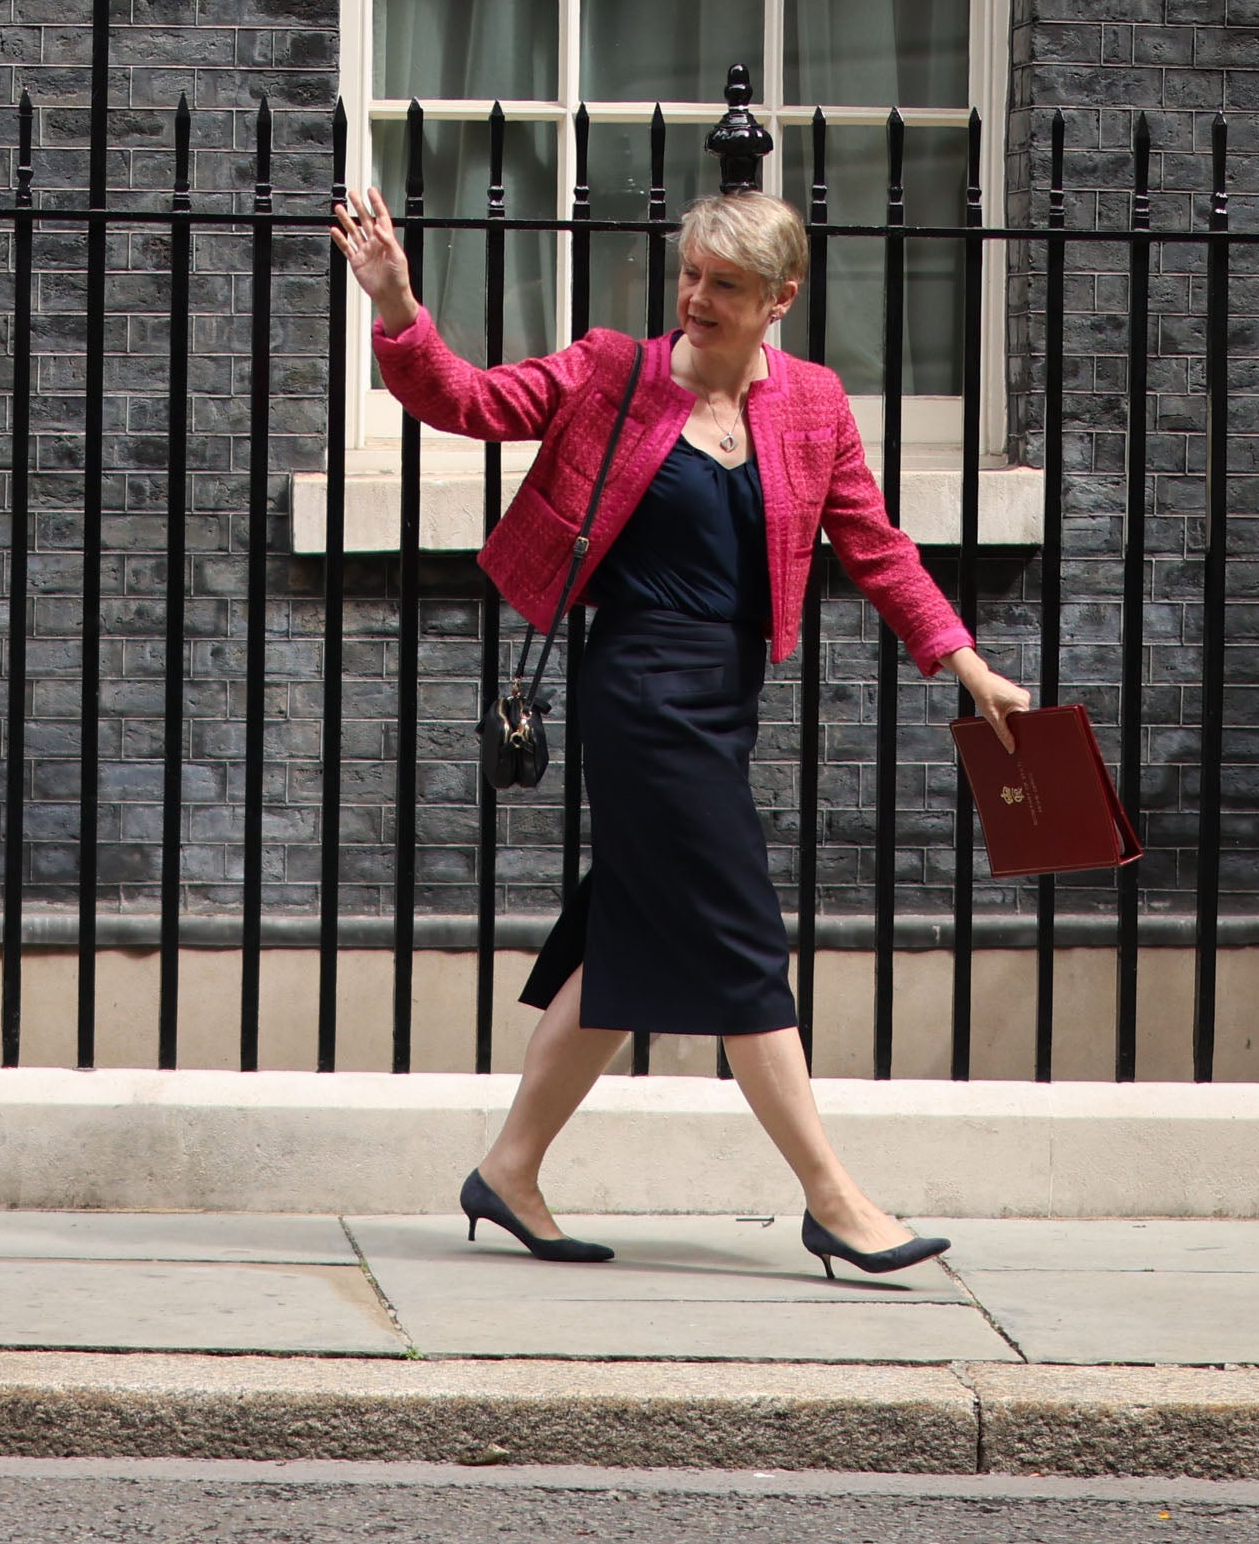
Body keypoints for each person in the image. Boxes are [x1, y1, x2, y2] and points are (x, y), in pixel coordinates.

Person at [329, 180, 1031, 1281]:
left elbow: (878, 548)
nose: (697, 299)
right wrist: (399, 308)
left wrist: (965, 661)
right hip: (640, 688)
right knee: (738, 929)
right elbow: (466, 401)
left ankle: (509, 1169)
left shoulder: (811, 404)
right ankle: (834, 1200)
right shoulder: (614, 371)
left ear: (780, 299)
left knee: (634, 934)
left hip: (725, 693)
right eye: (690, 276)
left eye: (727, 285)